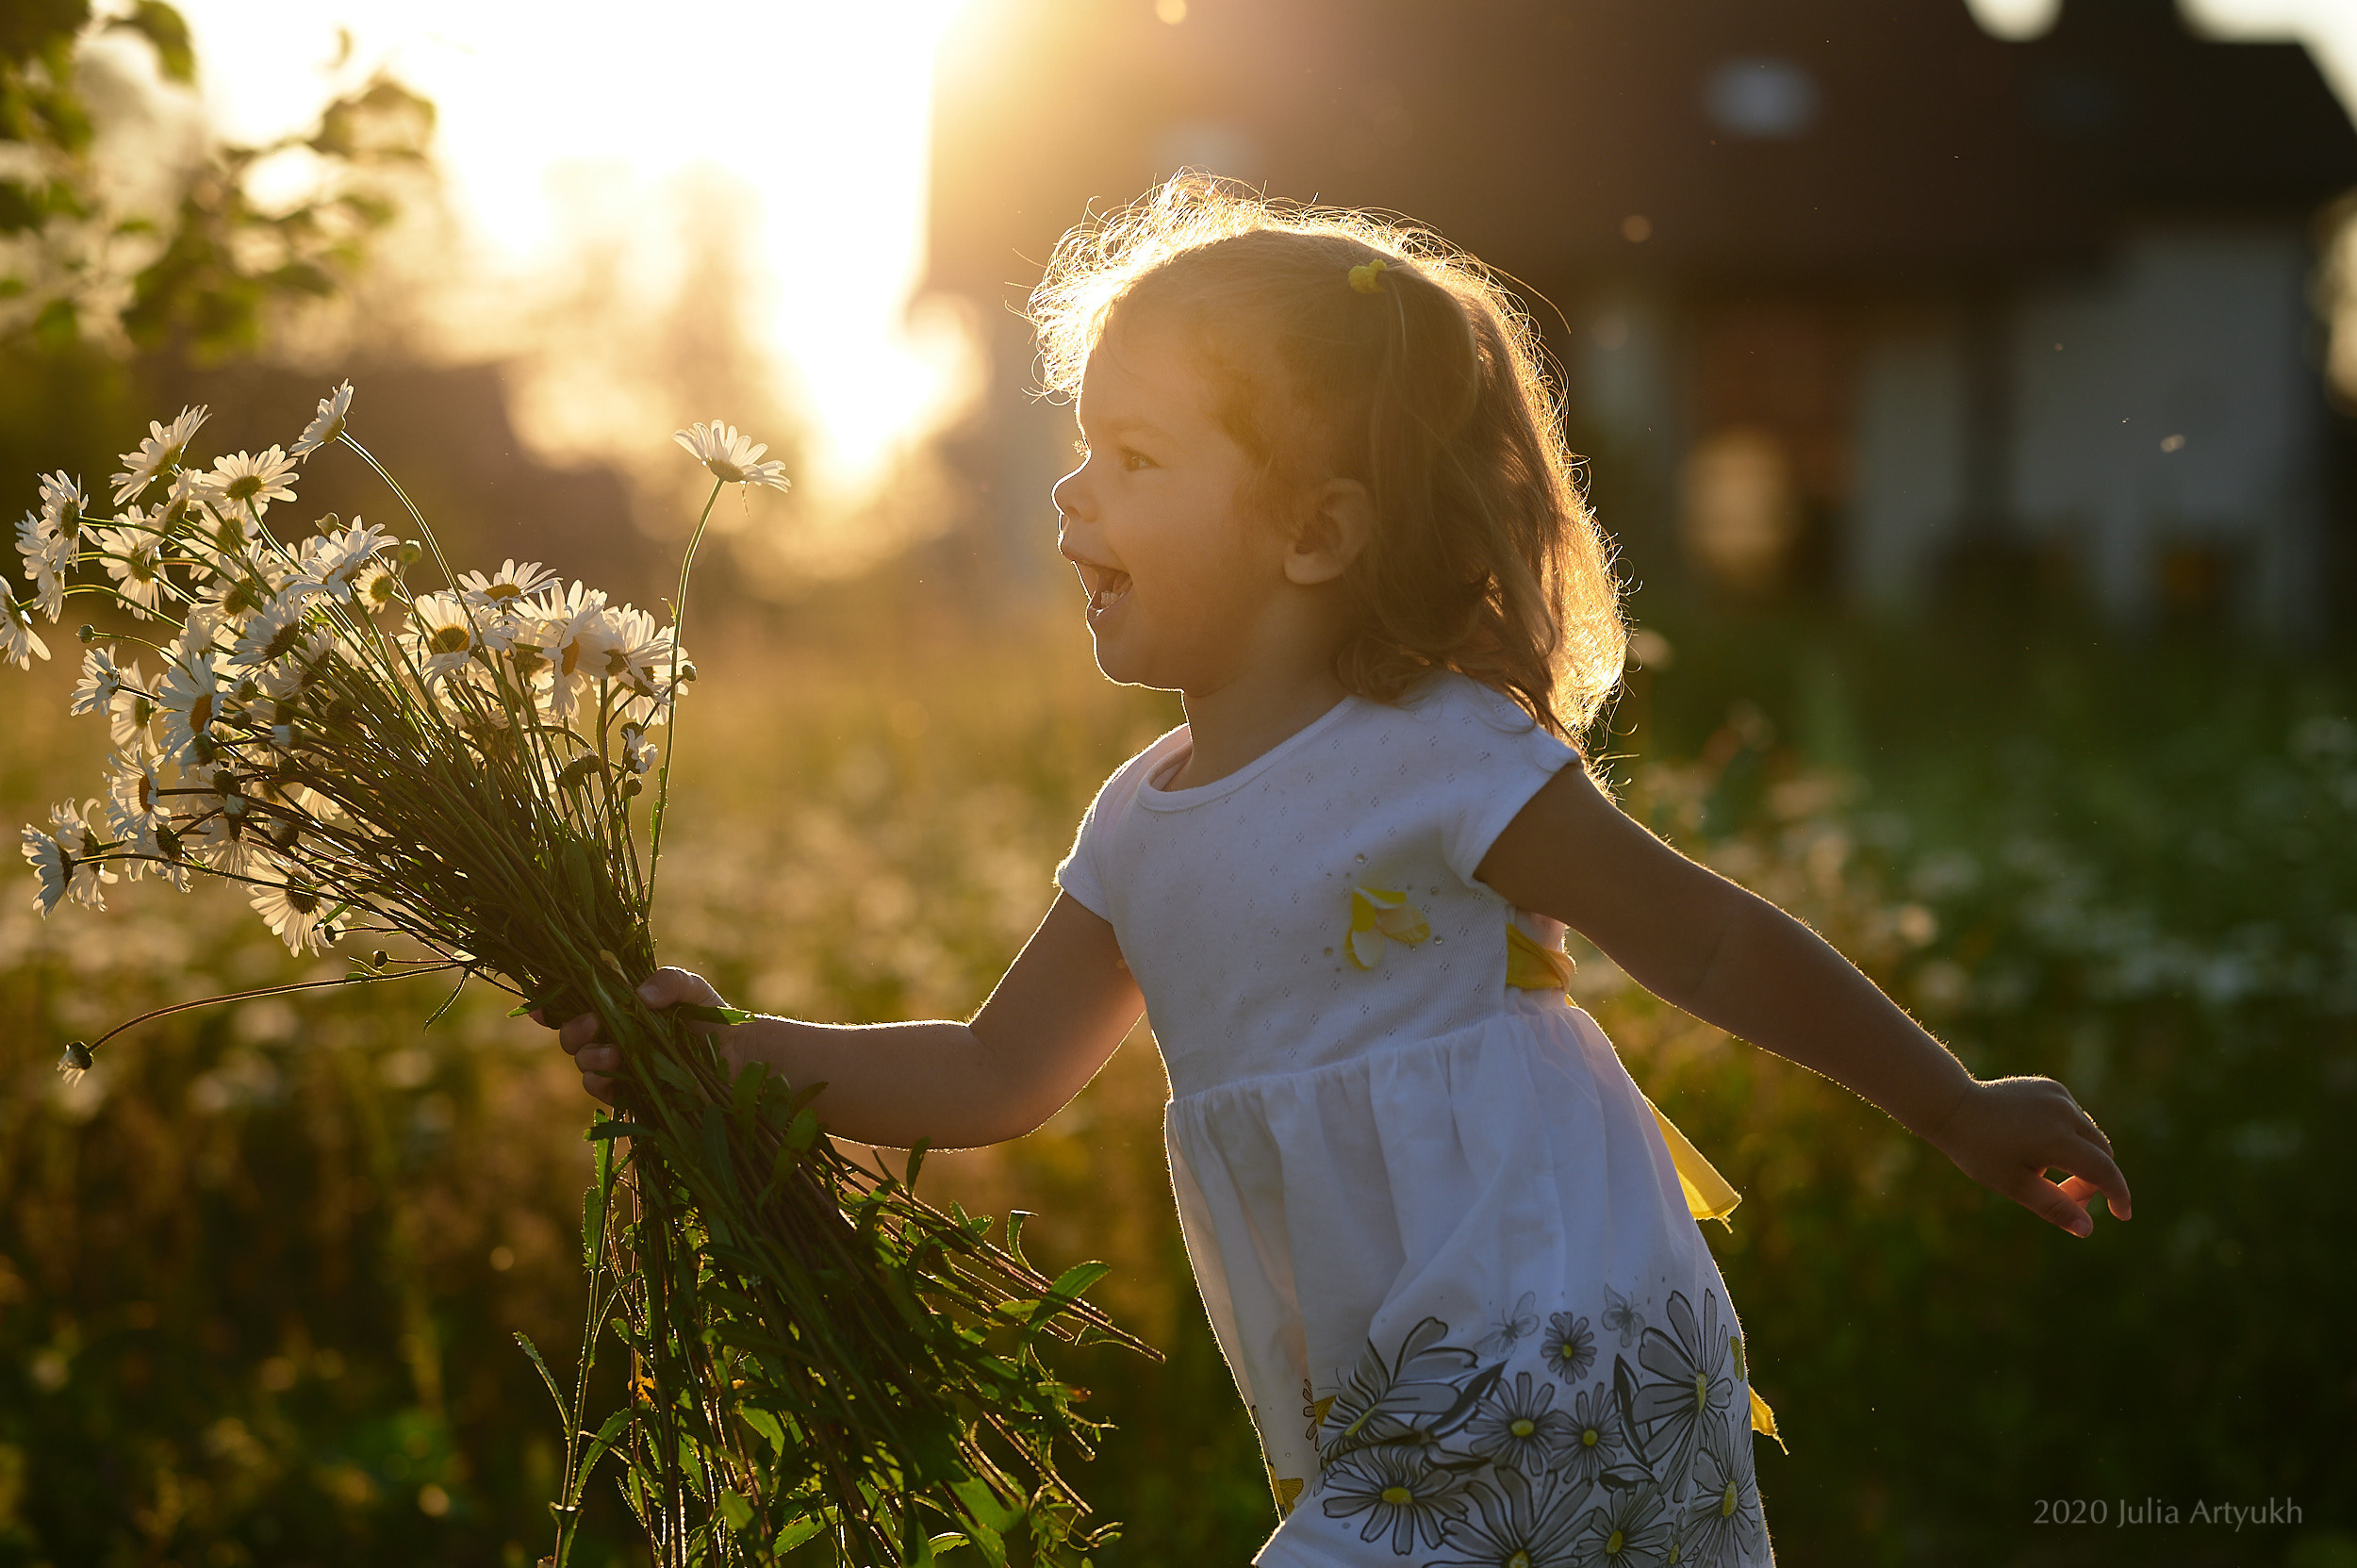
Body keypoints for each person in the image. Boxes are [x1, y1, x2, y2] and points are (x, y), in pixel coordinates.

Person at [542, 175, 2132, 1567]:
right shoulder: (1140, 820)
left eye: (1139, 455)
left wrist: (1954, 1106)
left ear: (1315, 533)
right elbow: (992, 1070)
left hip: (1551, 1346)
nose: (1069, 491)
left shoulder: (1438, 754)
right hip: (1387, 1401)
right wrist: (731, 1059)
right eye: (1082, 446)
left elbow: (1706, 945)